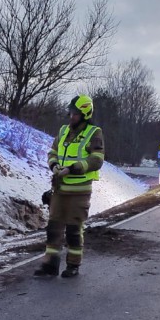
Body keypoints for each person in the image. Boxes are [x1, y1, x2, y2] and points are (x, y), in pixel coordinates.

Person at [35, 95, 105, 278]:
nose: (71, 116)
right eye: (71, 112)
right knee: (53, 228)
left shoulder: (94, 132)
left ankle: (73, 265)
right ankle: (50, 265)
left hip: (79, 191)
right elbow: (53, 152)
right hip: (60, 188)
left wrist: (73, 168)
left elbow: (96, 160)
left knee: (74, 229)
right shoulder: (64, 130)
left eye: (75, 113)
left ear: (85, 114)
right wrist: (54, 165)